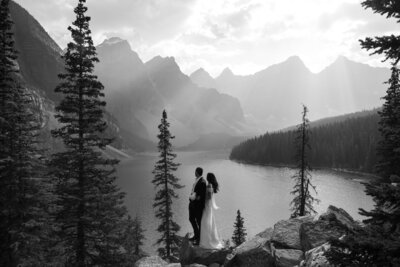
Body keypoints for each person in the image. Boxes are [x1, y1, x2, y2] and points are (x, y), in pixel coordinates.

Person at [200, 173, 223, 249]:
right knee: (209, 222)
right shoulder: (211, 185)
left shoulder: (209, 185)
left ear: (208, 178)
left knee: (205, 222)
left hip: (207, 205)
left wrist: (202, 199)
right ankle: (210, 239)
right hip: (208, 206)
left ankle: (207, 241)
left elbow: (209, 197)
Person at [189, 167, 206, 245]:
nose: (194, 172)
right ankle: (196, 235)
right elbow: (194, 191)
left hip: (198, 206)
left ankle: (199, 239)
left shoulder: (202, 182)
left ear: (198, 172)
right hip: (193, 204)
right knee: (191, 219)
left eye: (195, 171)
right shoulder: (197, 180)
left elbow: (201, 196)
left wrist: (195, 198)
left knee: (199, 222)